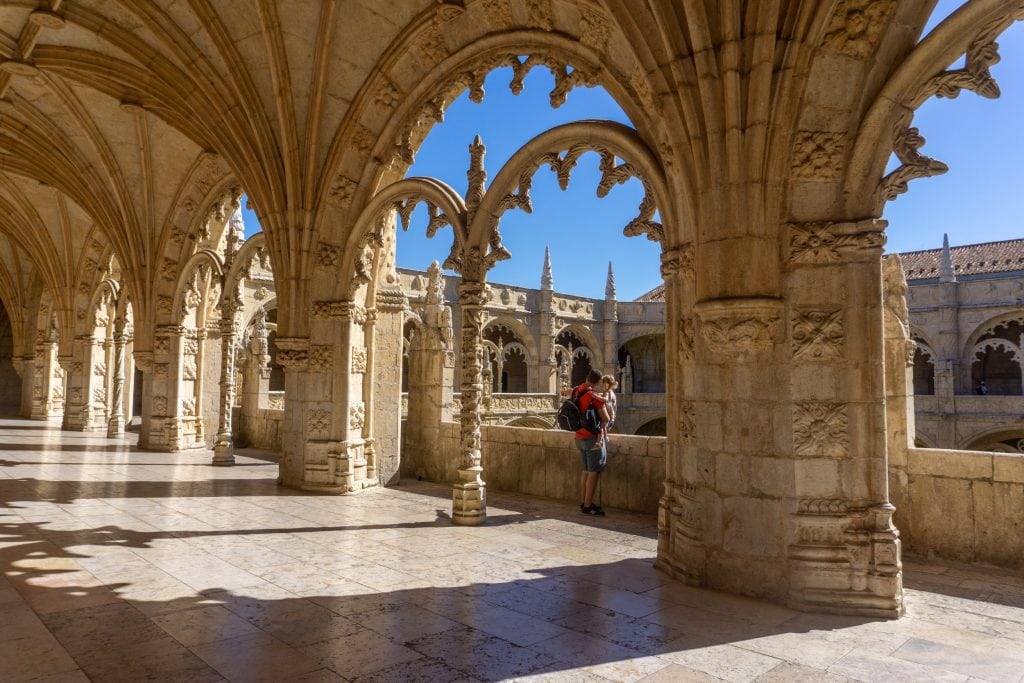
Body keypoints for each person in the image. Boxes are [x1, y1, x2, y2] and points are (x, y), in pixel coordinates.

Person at [564, 370, 611, 516]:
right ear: (597, 383)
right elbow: (606, 418)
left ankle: (584, 501)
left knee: (585, 471)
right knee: (593, 473)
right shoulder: (593, 397)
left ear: (586, 378)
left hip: (579, 437)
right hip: (592, 438)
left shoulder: (577, 391)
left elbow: (563, 393)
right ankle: (588, 505)